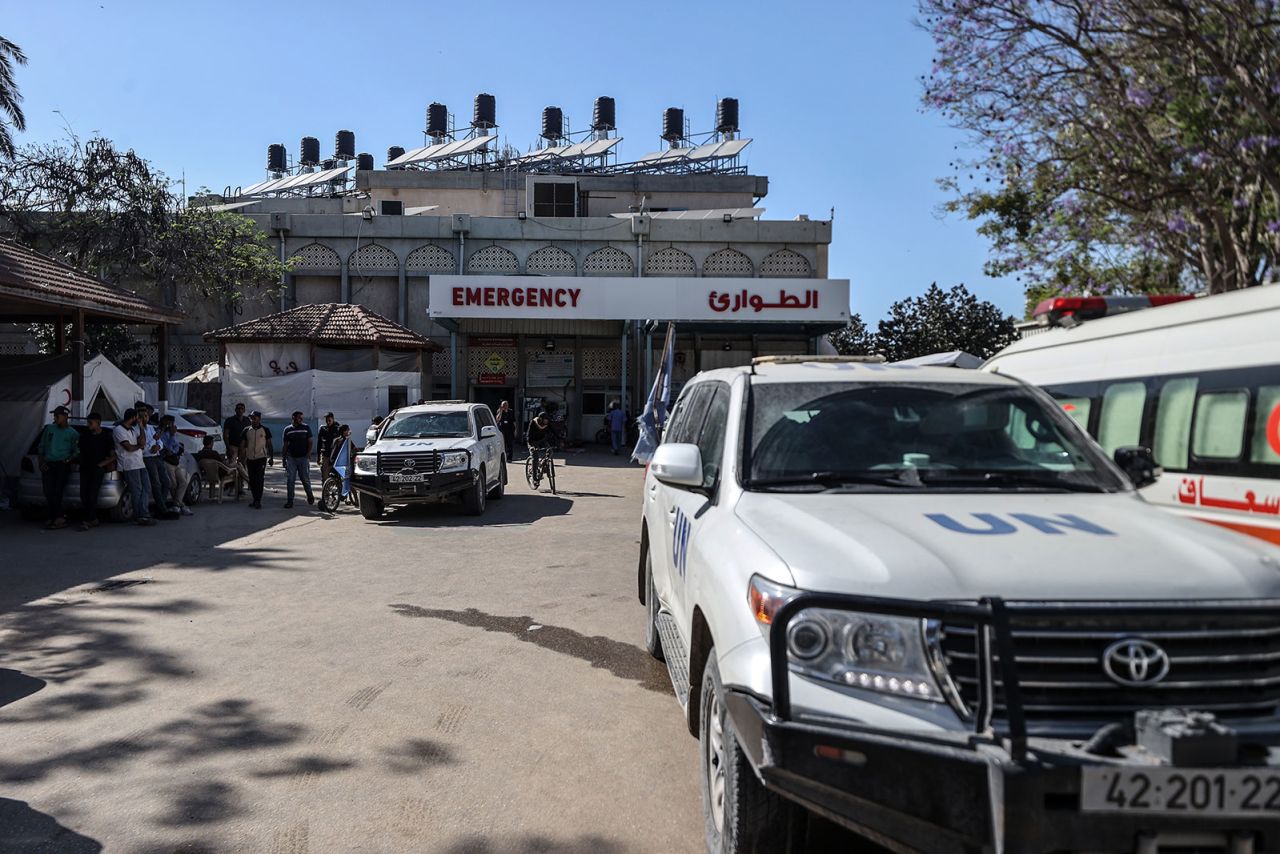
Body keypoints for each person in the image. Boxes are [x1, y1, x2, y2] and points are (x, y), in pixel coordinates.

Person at [37, 405, 79, 529]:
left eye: (57, 415)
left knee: (58, 491)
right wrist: (41, 462)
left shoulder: (73, 433)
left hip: (62, 465)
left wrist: (69, 459)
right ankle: (53, 516)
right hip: (48, 463)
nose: (55, 418)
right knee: (48, 491)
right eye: (54, 415)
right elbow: (42, 446)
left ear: (65, 417)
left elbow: (76, 450)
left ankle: (59, 518)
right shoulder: (49, 429)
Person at [113, 408, 155, 526]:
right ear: (133, 418)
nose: (139, 420)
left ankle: (144, 512)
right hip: (129, 465)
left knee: (146, 487)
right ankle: (140, 515)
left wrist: (141, 428)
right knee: (136, 490)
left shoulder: (133, 430)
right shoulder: (119, 430)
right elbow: (129, 448)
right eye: (138, 417)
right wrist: (138, 445)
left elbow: (143, 441)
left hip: (140, 463)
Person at [78, 412, 116, 530]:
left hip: (97, 469)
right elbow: (79, 451)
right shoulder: (85, 436)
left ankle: (87, 520)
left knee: (92, 494)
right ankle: (93, 518)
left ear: (98, 423)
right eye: (88, 422)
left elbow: (113, 455)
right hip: (84, 468)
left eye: (91, 422)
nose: (88, 425)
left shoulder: (106, 436)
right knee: (83, 494)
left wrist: (102, 465)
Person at [137, 403, 177, 515]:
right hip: (147, 457)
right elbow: (141, 446)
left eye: (146, 416)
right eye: (143, 416)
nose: (146, 418)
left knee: (167, 482)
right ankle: (162, 509)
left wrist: (158, 446)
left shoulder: (150, 427)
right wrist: (152, 446)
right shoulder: (137, 430)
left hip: (157, 457)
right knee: (156, 483)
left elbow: (159, 441)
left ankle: (161, 505)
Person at [159, 415, 194, 516]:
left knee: (183, 482)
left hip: (175, 461)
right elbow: (167, 449)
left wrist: (173, 446)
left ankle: (177, 504)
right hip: (166, 461)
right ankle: (179, 505)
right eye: (169, 423)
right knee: (173, 484)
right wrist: (172, 436)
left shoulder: (172, 434)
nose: (171, 425)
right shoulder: (162, 434)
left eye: (172, 423)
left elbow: (176, 447)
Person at [240, 410, 274, 509]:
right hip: (250, 458)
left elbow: (269, 444)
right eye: (251, 418)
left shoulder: (265, 430)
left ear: (259, 418)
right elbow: (242, 445)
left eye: (254, 418)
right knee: (252, 480)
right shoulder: (246, 430)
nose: (252, 420)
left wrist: (271, 458)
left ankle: (258, 500)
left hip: (261, 458)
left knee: (259, 479)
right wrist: (241, 458)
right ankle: (255, 499)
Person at [282, 410, 314, 508]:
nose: (301, 419)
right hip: (291, 458)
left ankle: (310, 495)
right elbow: (285, 445)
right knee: (290, 480)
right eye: (299, 417)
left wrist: (308, 453)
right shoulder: (287, 430)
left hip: (303, 458)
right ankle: (290, 500)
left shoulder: (306, 428)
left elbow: (310, 441)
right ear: (293, 418)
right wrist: (284, 458)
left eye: (302, 418)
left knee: (305, 479)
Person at [316, 412, 340, 481]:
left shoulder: (338, 428)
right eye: (326, 421)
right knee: (325, 476)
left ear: (333, 419)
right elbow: (319, 443)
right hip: (325, 455)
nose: (328, 422)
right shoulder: (323, 429)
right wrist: (318, 457)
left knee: (337, 476)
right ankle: (325, 490)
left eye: (329, 420)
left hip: (335, 456)